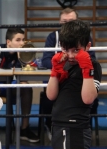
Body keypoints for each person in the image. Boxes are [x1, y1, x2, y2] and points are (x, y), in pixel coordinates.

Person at [41, 7, 97, 139]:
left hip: (78, 124)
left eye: (76, 50)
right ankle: (48, 126)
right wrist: (55, 69)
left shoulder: (94, 65)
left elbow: (88, 99)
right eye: (66, 50)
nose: (71, 55)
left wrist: (86, 67)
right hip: (59, 122)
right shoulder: (61, 57)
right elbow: (50, 95)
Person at [0, 28, 39, 143]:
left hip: (9, 87)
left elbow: (25, 73)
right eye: (18, 40)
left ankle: (24, 129)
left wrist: (21, 57)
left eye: (23, 40)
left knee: (26, 88)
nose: (22, 43)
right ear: (8, 42)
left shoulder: (21, 54)